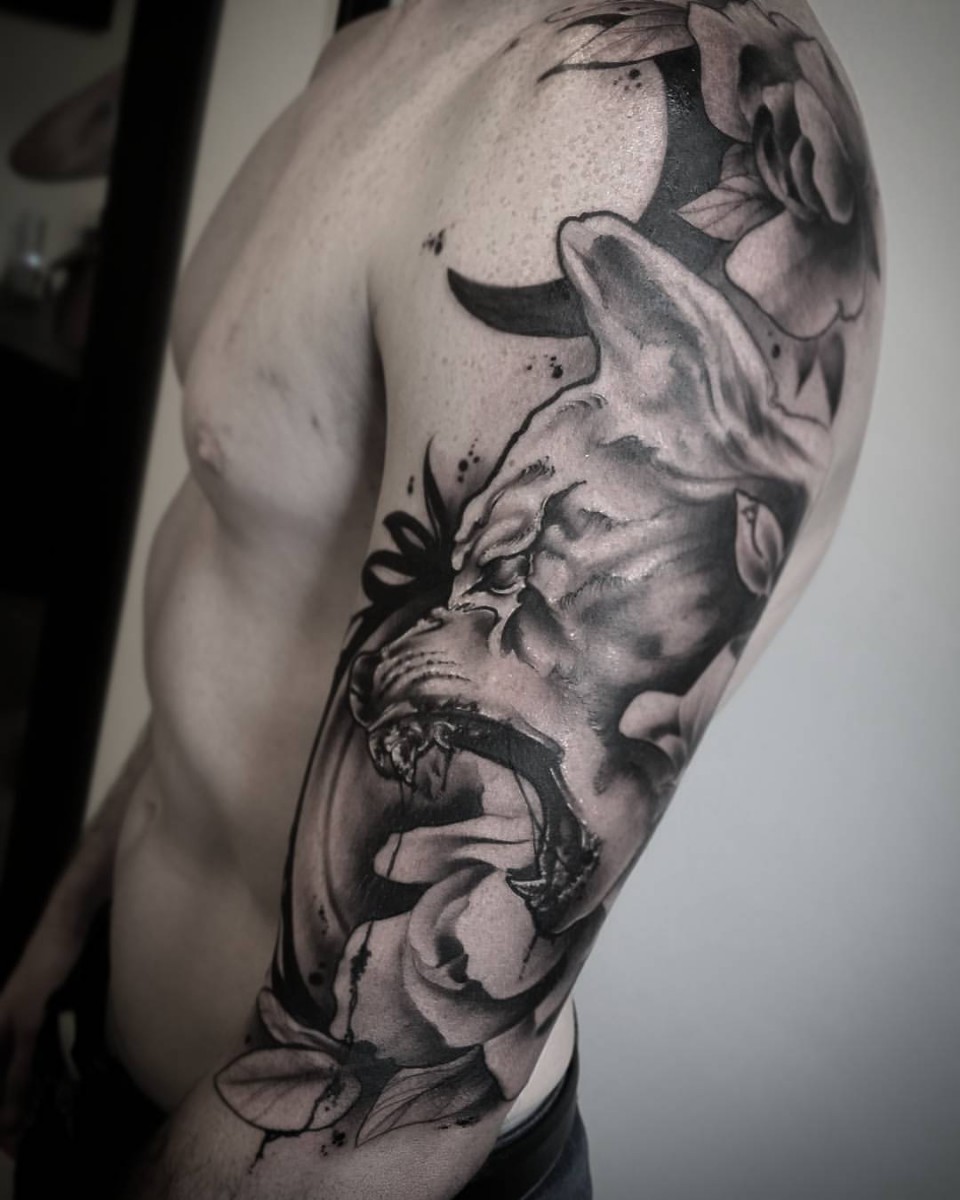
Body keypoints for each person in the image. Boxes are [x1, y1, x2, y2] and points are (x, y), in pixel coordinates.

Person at [0, 1, 884, 1196]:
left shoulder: (626, 119)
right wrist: (83, 897)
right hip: (127, 1062)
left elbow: (380, 1120)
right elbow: (260, 584)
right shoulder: (385, 36)